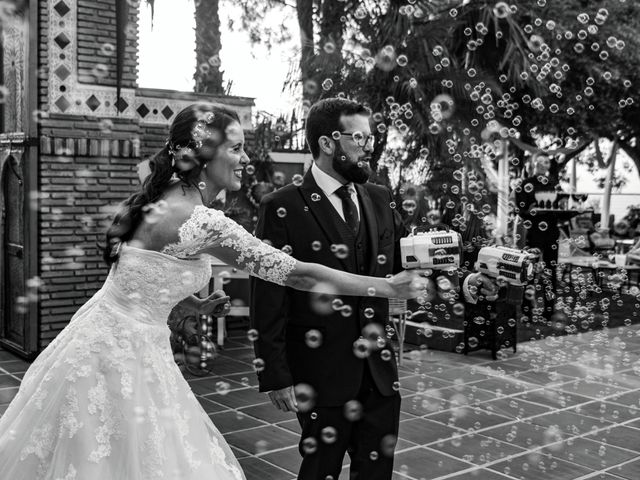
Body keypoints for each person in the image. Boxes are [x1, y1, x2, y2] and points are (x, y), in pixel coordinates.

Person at [0, 103, 427, 480]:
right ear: (205, 155)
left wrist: (189, 302)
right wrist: (386, 286)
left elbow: (138, 279)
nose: (245, 159)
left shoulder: (156, 198)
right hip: (125, 359)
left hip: (92, 342)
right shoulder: (204, 221)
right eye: (237, 148)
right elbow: (295, 274)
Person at [250, 98, 497, 480]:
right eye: (359, 137)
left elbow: (407, 267)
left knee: (377, 472)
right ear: (328, 143)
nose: (369, 146)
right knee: (320, 469)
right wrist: (275, 374)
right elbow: (268, 294)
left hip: (379, 371)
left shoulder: (379, 198)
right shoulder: (281, 206)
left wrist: (465, 281)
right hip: (320, 370)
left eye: (371, 137)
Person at [515, 153, 561, 317]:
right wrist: (531, 210)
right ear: (534, 164)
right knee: (530, 270)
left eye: (547, 162)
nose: (543, 165)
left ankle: (549, 310)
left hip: (551, 232)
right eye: (540, 162)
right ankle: (527, 310)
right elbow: (520, 211)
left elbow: (558, 209)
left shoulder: (552, 185)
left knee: (551, 271)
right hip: (534, 232)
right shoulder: (525, 185)